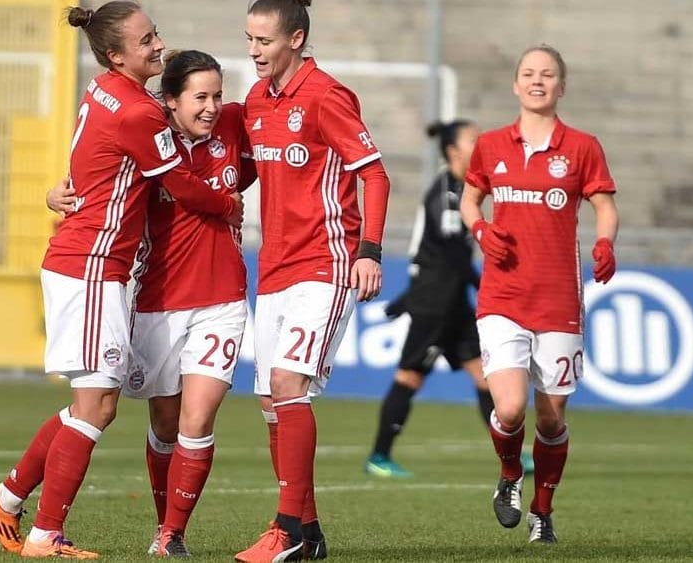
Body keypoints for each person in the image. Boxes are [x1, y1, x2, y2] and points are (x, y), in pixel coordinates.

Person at [0, 3, 240, 558]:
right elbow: (187, 188)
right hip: (92, 266)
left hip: (89, 264)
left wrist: (58, 192)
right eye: (146, 40)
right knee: (96, 406)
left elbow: (92, 165)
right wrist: (228, 203)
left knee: (90, 405)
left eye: (155, 34)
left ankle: (7, 496)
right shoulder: (139, 113)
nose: (157, 45)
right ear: (116, 53)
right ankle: (44, 535)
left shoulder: (101, 91)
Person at [48, 49, 255, 558]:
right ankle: (159, 521)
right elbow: (96, 183)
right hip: (158, 301)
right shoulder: (146, 143)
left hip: (223, 299)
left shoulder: (233, 123)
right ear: (171, 101)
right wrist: (55, 194)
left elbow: (263, 159)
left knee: (197, 419)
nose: (212, 107)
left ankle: (172, 535)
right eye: (200, 98)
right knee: (164, 422)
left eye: (218, 96)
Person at [235, 0, 391, 560]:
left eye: (264, 41)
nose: (254, 51)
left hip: (326, 265)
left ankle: (285, 531)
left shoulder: (327, 96)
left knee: (287, 386)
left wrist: (369, 251)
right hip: (273, 269)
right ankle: (310, 533)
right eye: (249, 39)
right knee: (271, 404)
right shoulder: (255, 99)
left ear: (295, 39)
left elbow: (373, 173)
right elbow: (245, 169)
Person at [459, 44, 618, 545]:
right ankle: (510, 476)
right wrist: (481, 230)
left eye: (547, 74)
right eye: (528, 73)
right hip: (502, 297)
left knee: (551, 417)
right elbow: (469, 198)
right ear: (515, 84)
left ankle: (542, 510)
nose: (537, 81)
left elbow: (605, 206)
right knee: (508, 409)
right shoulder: (490, 145)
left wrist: (604, 241)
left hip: (558, 302)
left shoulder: (582, 147)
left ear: (561, 87)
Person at [364, 120, 533, 479]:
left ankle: (511, 455)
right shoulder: (445, 193)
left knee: (486, 376)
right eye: (474, 139)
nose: (481, 142)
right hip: (435, 302)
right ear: (454, 151)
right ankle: (379, 456)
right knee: (410, 376)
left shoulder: (464, 188)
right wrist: (487, 280)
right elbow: (451, 253)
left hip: (453, 300)